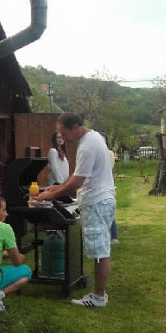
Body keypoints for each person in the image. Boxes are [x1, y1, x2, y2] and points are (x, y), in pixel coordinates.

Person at [34, 113, 116, 308]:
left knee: (100, 252)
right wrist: (57, 188)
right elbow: (78, 176)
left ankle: (98, 297)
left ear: (75, 127)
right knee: (101, 249)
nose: (63, 137)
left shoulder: (87, 145)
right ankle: (99, 294)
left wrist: (52, 194)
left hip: (96, 202)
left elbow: (78, 181)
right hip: (101, 200)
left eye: (64, 133)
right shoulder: (94, 137)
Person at [99, 132, 120, 245]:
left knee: (109, 212)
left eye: (104, 139)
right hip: (98, 187)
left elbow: (107, 167)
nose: (102, 141)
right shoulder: (96, 153)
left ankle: (114, 237)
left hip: (106, 186)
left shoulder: (109, 153)